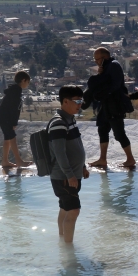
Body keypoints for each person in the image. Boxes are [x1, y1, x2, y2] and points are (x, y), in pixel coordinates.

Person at [48, 85, 89, 243]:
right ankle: (69, 250)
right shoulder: (58, 123)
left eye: (81, 100)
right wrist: (70, 174)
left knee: (65, 209)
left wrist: (82, 167)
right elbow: (60, 153)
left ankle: (62, 241)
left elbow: (76, 146)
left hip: (70, 175)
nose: (80, 104)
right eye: (77, 101)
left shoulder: (69, 120)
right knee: (73, 210)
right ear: (65, 101)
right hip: (64, 177)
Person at [86, 47, 136, 169]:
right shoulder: (106, 67)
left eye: (98, 59)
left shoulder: (114, 65)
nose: (96, 62)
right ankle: (103, 159)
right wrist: (100, 74)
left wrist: (102, 92)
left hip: (115, 104)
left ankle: (130, 159)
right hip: (106, 104)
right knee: (102, 130)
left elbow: (115, 84)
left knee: (119, 134)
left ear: (104, 57)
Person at [0, 70, 32, 168]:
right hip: (5, 117)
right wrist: (14, 123)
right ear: (23, 80)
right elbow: (13, 108)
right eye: (28, 82)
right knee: (12, 138)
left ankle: (5, 161)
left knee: (7, 138)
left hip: (3, 117)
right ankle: (19, 161)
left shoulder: (15, 90)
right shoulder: (16, 91)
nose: (28, 84)